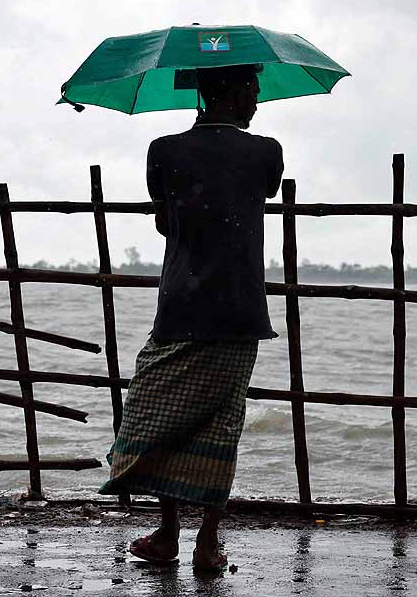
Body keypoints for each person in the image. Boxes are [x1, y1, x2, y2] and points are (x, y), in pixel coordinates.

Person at [99, 64, 283, 572]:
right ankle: (206, 542)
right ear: (230, 91)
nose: (257, 100)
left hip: (180, 304)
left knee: (160, 418)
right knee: (220, 426)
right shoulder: (266, 152)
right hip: (240, 308)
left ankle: (168, 532)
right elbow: (257, 193)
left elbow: (165, 219)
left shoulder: (164, 151)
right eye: (252, 90)